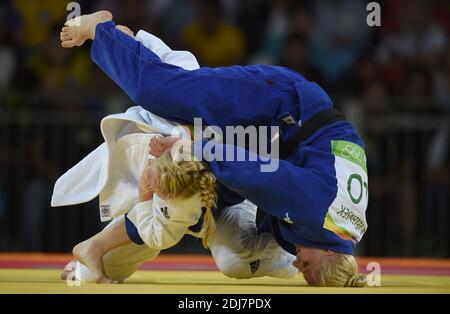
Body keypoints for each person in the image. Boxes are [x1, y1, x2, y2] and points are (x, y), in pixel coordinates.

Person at [60, 11, 369, 287]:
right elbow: (258, 172)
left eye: (301, 269)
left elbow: (267, 174)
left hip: (279, 140)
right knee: (160, 94)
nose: (299, 264)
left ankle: (102, 253)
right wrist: (194, 150)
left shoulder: (345, 230)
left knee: (194, 207)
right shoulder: (317, 209)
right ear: (329, 251)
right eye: (308, 266)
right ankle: (104, 30)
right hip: (281, 107)